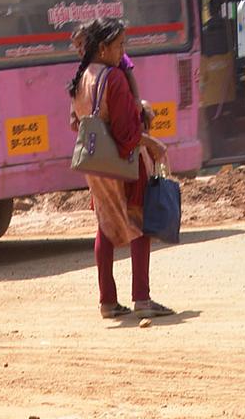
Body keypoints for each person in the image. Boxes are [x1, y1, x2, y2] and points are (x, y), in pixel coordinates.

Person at [69, 19, 173, 320]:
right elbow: (126, 133)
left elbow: (76, 123)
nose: (122, 52)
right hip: (123, 162)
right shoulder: (113, 77)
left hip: (94, 163)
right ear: (103, 48)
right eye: (119, 46)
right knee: (139, 223)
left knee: (105, 225)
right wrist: (153, 143)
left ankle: (108, 302)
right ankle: (142, 298)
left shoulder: (81, 78)